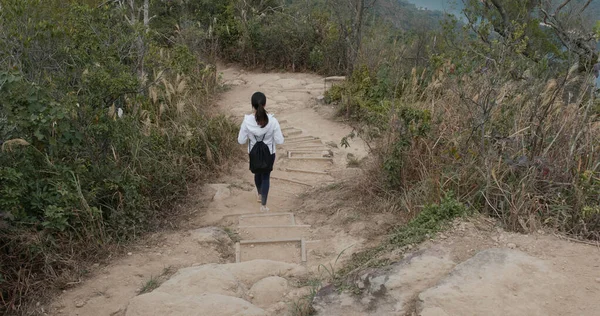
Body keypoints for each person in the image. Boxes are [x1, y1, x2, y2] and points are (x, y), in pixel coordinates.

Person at [238, 92, 284, 212]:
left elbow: (241, 140)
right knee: (266, 176)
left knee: (257, 173)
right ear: (265, 104)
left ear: (252, 105)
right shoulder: (273, 121)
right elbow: (279, 140)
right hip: (269, 152)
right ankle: (263, 205)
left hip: (253, 153)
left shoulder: (247, 121)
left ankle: (259, 193)